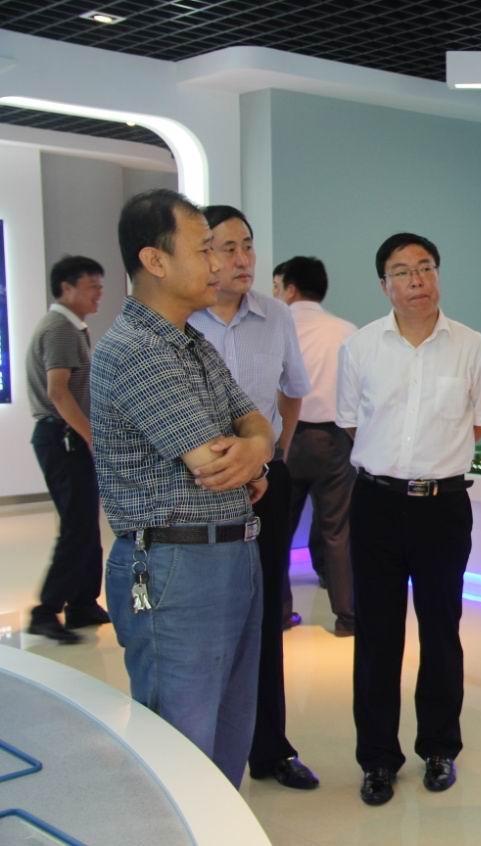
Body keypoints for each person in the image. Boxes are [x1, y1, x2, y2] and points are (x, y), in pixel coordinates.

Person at [92, 188, 272, 786]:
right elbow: (213, 462)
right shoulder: (135, 349)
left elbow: (256, 424)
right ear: (156, 261)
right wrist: (254, 452)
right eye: (204, 250)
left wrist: (257, 450)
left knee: (229, 735)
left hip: (230, 552)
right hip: (175, 565)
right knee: (181, 747)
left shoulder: (192, 343)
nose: (220, 263)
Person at [337, 232, 481, 807]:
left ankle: (439, 748)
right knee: (376, 636)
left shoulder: (472, 346)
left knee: (441, 629)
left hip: (443, 507)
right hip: (377, 503)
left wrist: (431, 460)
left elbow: (480, 421)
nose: (417, 281)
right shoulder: (360, 347)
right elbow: (353, 422)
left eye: (426, 268)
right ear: (384, 285)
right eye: (402, 272)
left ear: (438, 275)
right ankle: (378, 759)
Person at [188, 205, 318, 792]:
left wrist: (276, 453)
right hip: (197, 492)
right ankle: (201, 753)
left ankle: (270, 748)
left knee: (265, 615)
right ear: (201, 254)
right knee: (205, 622)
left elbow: (293, 391)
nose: (243, 259)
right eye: (227, 248)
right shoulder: (180, 322)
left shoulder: (276, 316)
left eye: (248, 245)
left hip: (266, 485)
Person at [24, 255, 109, 644]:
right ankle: (46, 611)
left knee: (85, 523)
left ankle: (82, 603)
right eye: (92, 287)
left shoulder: (71, 327)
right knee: (77, 526)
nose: (99, 294)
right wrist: (90, 435)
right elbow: (58, 392)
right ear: (67, 288)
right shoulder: (59, 329)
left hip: (66, 436)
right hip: (62, 438)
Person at [274, 256, 357, 637]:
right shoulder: (346, 330)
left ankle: (279, 612)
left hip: (285, 439)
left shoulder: (274, 327)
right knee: (338, 530)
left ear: (290, 289)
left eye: (278, 287)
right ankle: (348, 616)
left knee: (279, 530)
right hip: (334, 440)